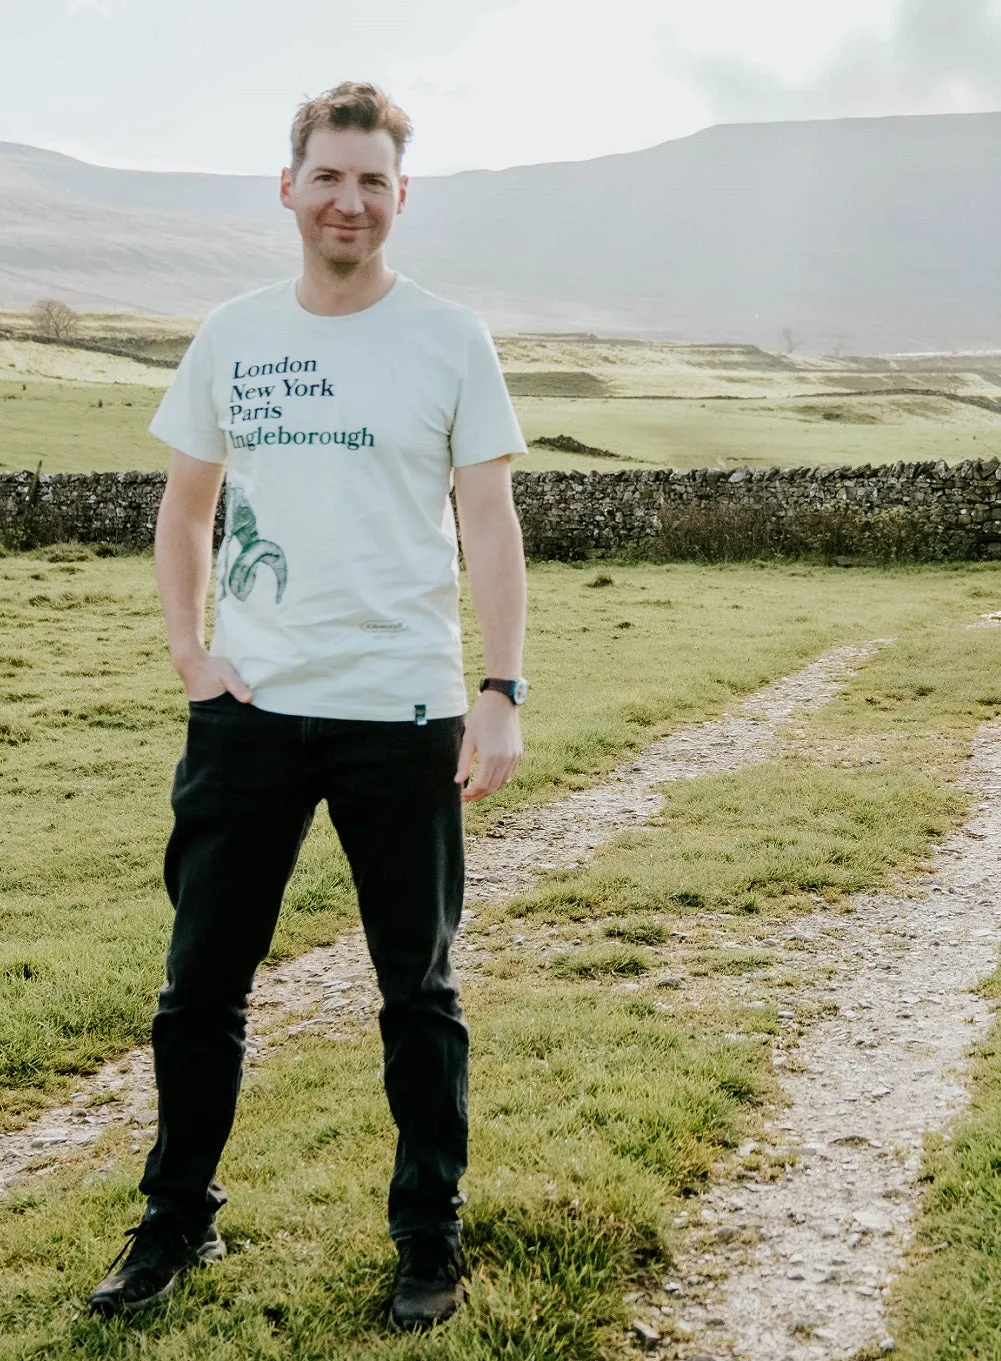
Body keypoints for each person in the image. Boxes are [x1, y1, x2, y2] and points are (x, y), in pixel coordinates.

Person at [88, 80, 529, 1331]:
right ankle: (174, 1221)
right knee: (197, 990)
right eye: (328, 177)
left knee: (418, 992)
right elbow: (183, 509)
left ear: (401, 197)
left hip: (403, 713)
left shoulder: (450, 337)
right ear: (288, 188)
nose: (349, 200)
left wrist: (497, 688)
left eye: (372, 181)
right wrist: (191, 655)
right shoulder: (231, 333)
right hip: (250, 714)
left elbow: (489, 521)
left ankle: (426, 1233)